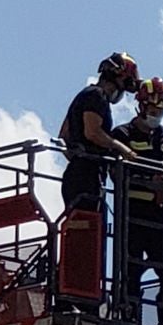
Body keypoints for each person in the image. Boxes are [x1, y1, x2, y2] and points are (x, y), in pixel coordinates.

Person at [110, 77, 163, 325]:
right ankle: (129, 316)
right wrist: (151, 179)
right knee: (131, 270)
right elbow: (116, 173)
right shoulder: (122, 135)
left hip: (162, 215)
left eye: (161, 111)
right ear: (141, 106)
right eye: (153, 110)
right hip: (133, 214)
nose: (157, 114)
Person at [58, 52, 141, 213]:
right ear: (117, 76)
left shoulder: (86, 94)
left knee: (82, 224)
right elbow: (93, 132)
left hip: (76, 174)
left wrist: (77, 157)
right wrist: (122, 149)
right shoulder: (97, 95)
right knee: (88, 223)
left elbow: (64, 135)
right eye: (126, 82)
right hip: (87, 175)